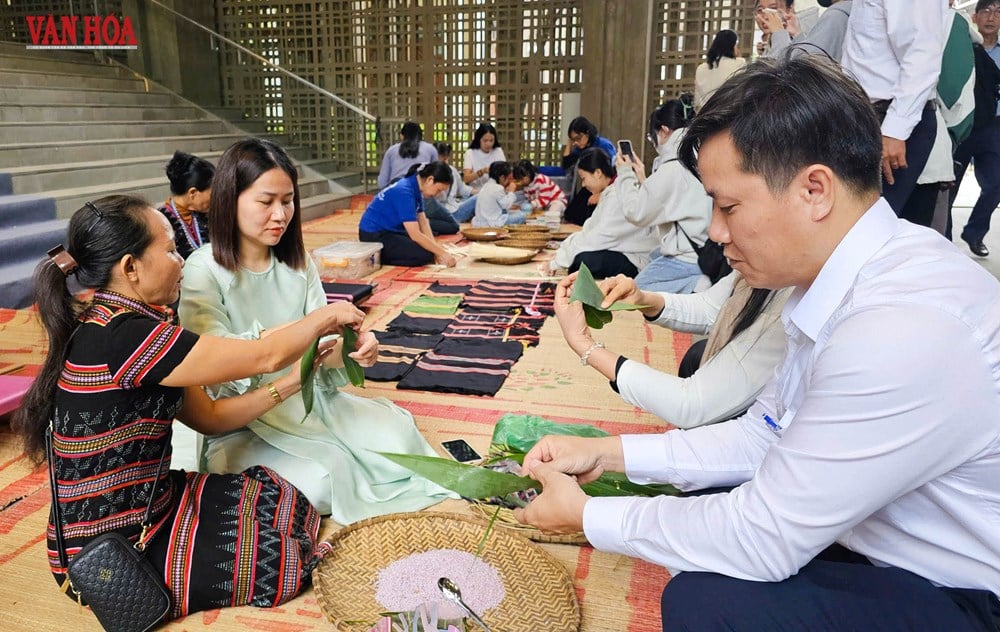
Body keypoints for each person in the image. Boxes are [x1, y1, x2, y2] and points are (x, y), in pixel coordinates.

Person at [516, 55, 1000, 631]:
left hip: (965, 590)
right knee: (701, 522)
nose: (716, 231)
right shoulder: (835, 278)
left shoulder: (900, 328)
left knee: (711, 604)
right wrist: (608, 454)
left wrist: (591, 517)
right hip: (885, 539)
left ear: (814, 190)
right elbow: (763, 434)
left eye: (728, 206)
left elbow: (764, 538)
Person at [12, 194, 360, 619]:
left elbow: (209, 419)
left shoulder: (129, 324)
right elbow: (265, 355)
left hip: (151, 502)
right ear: (131, 268)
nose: (182, 261)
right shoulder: (128, 337)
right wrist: (326, 316)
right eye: (171, 250)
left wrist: (293, 382)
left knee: (275, 494)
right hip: (112, 552)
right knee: (280, 562)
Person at [180, 139, 455, 523]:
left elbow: (323, 347)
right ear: (230, 199)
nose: (280, 214)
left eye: (288, 201)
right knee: (323, 482)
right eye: (266, 202)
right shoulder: (203, 269)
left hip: (310, 402)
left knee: (398, 434)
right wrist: (314, 325)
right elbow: (218, 361)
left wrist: (355, 346)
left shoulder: (297, 263)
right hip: (246, 418)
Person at [555, 270, 789, 428]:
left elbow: (691, 404)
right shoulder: (769, 262)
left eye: (729, 212)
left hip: (769, 445)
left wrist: (583, 343)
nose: (716, 233)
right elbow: (711, 307)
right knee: (697, 355)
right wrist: (642, 299)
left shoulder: (787, 316)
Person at [841, 0, 947, 222]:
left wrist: (895, 129)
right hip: (864, 115)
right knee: (853, 221)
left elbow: (922, 52)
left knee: (868, 224)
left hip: (888, 121)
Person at [617, 95, 713, 294]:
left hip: (688, 258)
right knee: (652, 256)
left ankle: (695, 286)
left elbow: (636, 212)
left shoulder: (673, 167)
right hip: (709, 250)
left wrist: (625, 173)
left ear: (664, 130)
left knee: (637, 293)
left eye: (652, 137)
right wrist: (644, 179)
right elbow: (675, 199)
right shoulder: (702, 154)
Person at [549, 147, 659, 278]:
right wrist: (563, 252)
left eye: (583, 178)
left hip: (635, 260)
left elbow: (599, 237)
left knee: (582, 262)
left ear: (598, 173)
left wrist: (560, 259)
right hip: (619, 250)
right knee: (578, 258)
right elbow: (589, 230)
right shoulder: (610, 192)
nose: (583, 184)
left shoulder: (617, 195)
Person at [950, 0, 1000, 256]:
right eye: (986, 11)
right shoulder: (962, 48)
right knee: (949, 186)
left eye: (998, 12)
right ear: (974, 16)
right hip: (963, 125)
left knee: (996, 183)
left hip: (994, 128)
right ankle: (943, 239)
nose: (991, 17)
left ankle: (974, 233)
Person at [359, 161, 459, 267]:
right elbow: (415, 234)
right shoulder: (404, 191)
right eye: (438, 190)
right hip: (374, 235)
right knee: (425, 255)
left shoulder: (415, 187)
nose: (437, 194)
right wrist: (441, 253)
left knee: (429, 247)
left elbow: (423, 223)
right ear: (430, 180)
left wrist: (437, 251)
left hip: (389, 230)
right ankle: (377, 256)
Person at [560, 116, 617, 226]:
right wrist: (570, 142)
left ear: (587, 133)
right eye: (573, 139)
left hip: (607, 186)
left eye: (578, 138)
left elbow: (614, 171)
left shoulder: (604, 145)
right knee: (570, 213)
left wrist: (601, 193)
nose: (576, 142)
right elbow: (566, 164)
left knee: (586, 212)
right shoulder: (581, 147)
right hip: (592, 185)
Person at [158, 150, 214, 259]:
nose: (215, 199)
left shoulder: (205, 215)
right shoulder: (161, 223)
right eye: (212, 193)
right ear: (193, 193)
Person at [764, 0, 853, 61]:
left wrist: (778, 33)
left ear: (790, 8)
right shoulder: (852, 15)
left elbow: (795, 71)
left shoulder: (836, 16)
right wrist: (797, 36)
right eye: (760, 9)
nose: (765, 14)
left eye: (773, 8)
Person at [453, 123, 507, 221]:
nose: (488, 144)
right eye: (485, 140)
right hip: (476, 193)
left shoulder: (498, 151)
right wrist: (482, 171)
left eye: (491, 140)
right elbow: (466, 178)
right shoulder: (471, 153)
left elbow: (505, 175)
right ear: (479, 139)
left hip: (494, 194)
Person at [694, 30, 747, 111]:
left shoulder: (701, 68)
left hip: (705, 114)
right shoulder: (740, 64)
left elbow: (697, 101)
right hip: (729, 114)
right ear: (733, 46)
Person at [377, 121, 438, 189]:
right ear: (420, 135)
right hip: (421, 189)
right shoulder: (430, 149)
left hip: (397, 188)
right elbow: (437, 174)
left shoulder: (391, 150)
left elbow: (382, 181)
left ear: (401, 136)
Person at [512, 159, 568, 228]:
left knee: (552, 214)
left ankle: (552, 227)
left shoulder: (541, 180)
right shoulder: (526, 186)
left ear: (528, 174)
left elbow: (544, 200)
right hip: (544, 204)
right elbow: (530, 200)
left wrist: (531, 205)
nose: (520, 182)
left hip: (556, 200)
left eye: (521, 179)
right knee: (536, 216)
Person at [471, 161, 526, 227]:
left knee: (511, 213)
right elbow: (506, 205)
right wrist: (511, 191)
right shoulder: (497, 188)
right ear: (502, 177)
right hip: (492, 223)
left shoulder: (486, 185)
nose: (509, 181)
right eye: (508, 178)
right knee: (521, 216)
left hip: (482, 221)